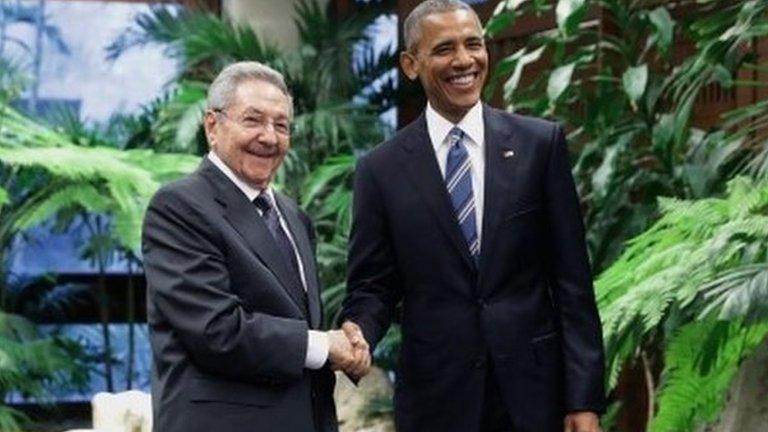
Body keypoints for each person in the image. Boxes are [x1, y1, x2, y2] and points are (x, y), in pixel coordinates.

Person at [339, 1, 605, 431]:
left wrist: (584, 399)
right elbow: (373, 285)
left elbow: (572, 284)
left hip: (535, 396)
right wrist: (357, 331)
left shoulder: (540, 145)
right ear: (411, 64)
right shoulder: (380, 170)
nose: (464, 60)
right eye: (444, 49)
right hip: (437, 401)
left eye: (474, 44)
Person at [142, 61, 369, 432]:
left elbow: (295, 322)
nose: (269, 136)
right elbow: (217, 331)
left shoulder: (295, 217)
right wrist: (325, 346)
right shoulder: (179, 207)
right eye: (253, 120)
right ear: (212, 126)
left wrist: (346, 343)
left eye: (281, 125)